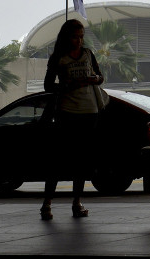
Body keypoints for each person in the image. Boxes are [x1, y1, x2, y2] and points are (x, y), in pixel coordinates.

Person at [40, 19, 104, 220]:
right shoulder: (58, 57)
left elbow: (100, 76)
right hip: (67, 111)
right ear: (67, 37)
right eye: (75, 36)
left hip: (89, 110)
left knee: (82, 160)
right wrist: (68, 85)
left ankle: (77, 202)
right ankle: (47, 203)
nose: (78, 41)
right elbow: (48, 85)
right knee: (59, 159)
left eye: (81, 37)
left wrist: (94, 79)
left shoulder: (88, 54)